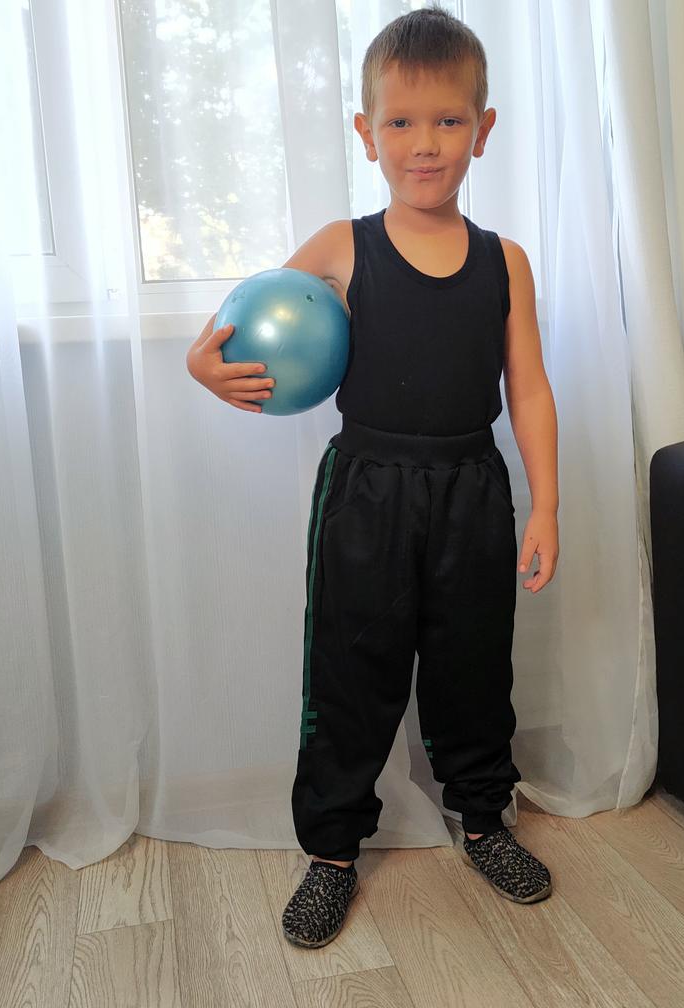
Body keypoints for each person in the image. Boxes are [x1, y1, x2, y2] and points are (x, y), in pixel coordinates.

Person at [186, 4, 559, 950]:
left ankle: (485, 822)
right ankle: (331, 853)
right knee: (351, 672)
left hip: (473, 490)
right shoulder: (341, 247)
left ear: (482, 129)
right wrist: (202, 364)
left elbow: (529, 390)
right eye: (401, 122)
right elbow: (244, 324)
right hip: (366, 494)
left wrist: (546, 505)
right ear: (366, 132)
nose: (424, 143)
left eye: (447, 120)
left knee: (475, 670)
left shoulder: (505, 262)